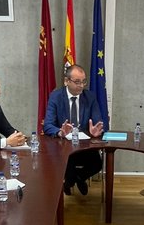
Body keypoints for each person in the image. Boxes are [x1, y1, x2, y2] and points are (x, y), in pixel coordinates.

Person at [43, 64, 105, 195]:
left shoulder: (90, 97)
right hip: (64, 146)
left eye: (84, 82)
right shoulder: (56, 96)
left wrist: (95, 132)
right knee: (67, 162)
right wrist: (60, 132)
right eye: (77, 82)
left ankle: (75, 179)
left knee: (97, 164)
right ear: (66, 81)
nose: (81, 85)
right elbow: (48, 125)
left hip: (85, 145)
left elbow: (98, 121)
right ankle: (72, 180)